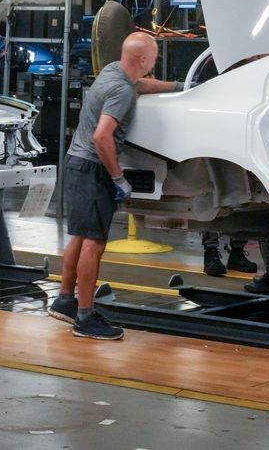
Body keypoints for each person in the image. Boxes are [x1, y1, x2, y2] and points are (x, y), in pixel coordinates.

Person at [49, 32, 181, 340]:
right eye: (155, 55)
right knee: (94, 242)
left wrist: (180, 88)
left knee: (80, 237)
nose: (157, 59)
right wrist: (118, 176)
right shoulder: (121, 90)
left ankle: (65, 300)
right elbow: (102, 135)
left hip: (77, 162)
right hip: (94, 168)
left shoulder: (114, 70)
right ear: (142, 60)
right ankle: (84, 318)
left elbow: (141, 85)